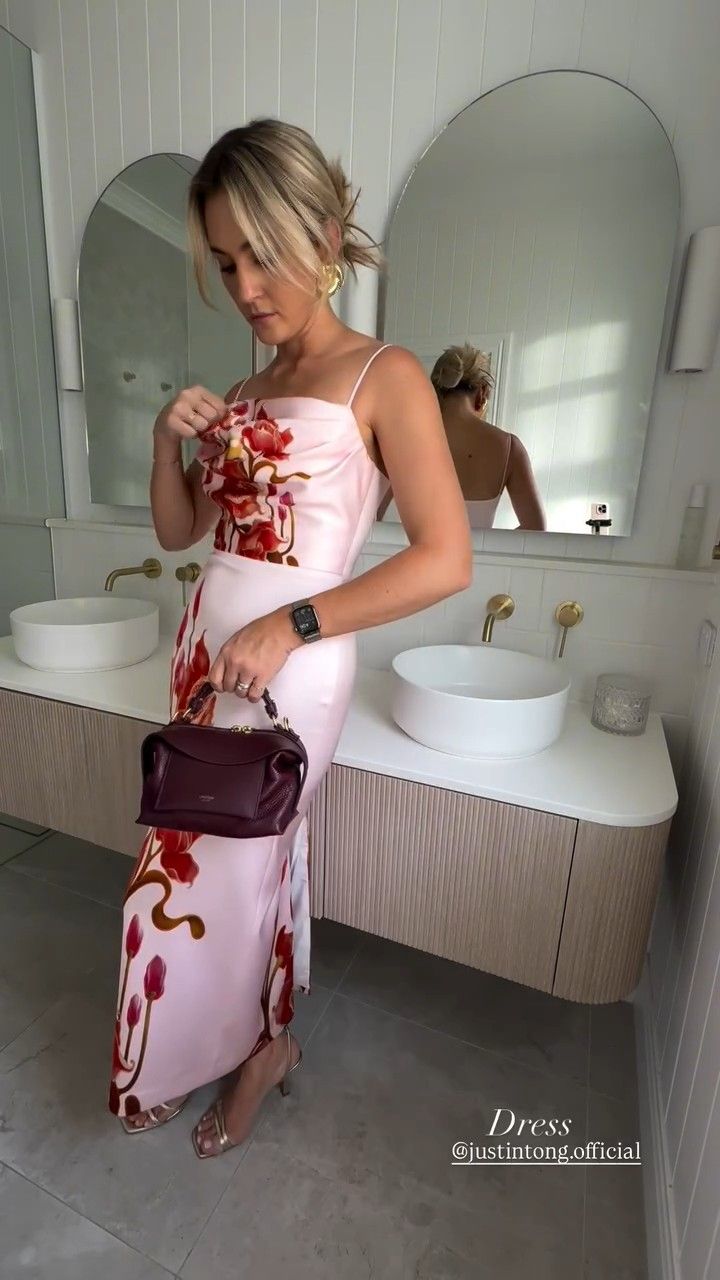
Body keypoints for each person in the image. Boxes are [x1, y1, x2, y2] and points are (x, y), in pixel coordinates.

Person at [108, 117, 473, 1158]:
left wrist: (288, 622)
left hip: (295, 666)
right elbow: (182, 533)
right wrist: (164, 445)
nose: (245, 285)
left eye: (262, 253)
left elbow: (445, 559)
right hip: (203, 655)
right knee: (186, 860)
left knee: (245, 868)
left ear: (323, 235)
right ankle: (192, 1047)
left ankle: (260, 1052)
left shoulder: (385, 376)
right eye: (227, 263)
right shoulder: (244, 392)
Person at [429, 342, 546, 531]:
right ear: (482, 391)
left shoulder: (408, 438)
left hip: (412, 551)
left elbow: (377, 515)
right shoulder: (509, 447)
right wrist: (487, 543)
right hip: (474, 552)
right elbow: (536, 529)